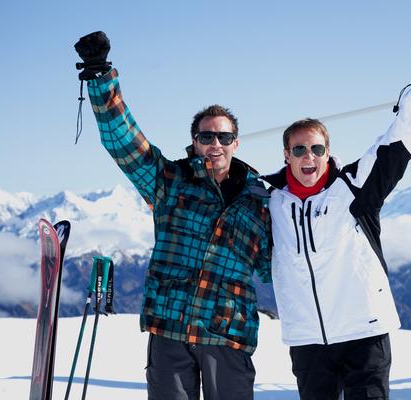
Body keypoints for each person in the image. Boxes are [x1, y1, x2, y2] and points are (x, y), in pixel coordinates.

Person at [74, 31, 272, 400]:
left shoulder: (261, 201)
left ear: (236, 143)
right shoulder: (170, 182)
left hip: (228, 334)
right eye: (207, 137)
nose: (216, 145)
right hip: (170, 329)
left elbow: (280, 266)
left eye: (224, 138)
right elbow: (124, 142)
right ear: (194, 142)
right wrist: (101, 78)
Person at [262, 33, 411, 399]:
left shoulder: (353, 187)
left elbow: (399, 141)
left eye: (316, 148)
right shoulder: (268, 198)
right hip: (307, 339)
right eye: (299, 148)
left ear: (327, 151)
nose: (309, 156)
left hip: (365, 333)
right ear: (286, 154)